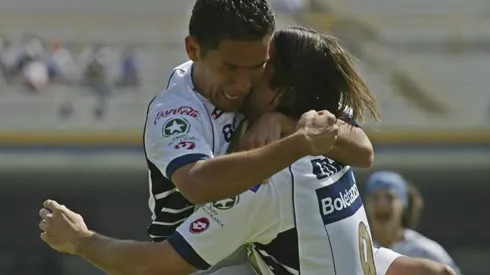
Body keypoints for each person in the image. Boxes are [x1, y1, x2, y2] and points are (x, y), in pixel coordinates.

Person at [38, 27, 455, 275]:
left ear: (282, 93)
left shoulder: (266, 184)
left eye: (262, 69)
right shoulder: (322, 138)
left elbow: (156, 265)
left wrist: (81, 240)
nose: (248, 77)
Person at [144, 0, 372, 245]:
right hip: (196, 258)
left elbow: (362, 151)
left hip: (254, 247)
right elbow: (198, 183)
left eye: (257, 67)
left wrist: (284, 122)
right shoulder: (174, 111)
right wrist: (300, 142)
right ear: (193, 49)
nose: (243, 84)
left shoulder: (273, 77)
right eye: (229, 68)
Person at [365, 171, 461, 274]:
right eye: (374, 198)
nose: (381, 204)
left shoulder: (425, 251)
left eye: (390, 197)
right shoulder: (359, 249)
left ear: (403, 205)